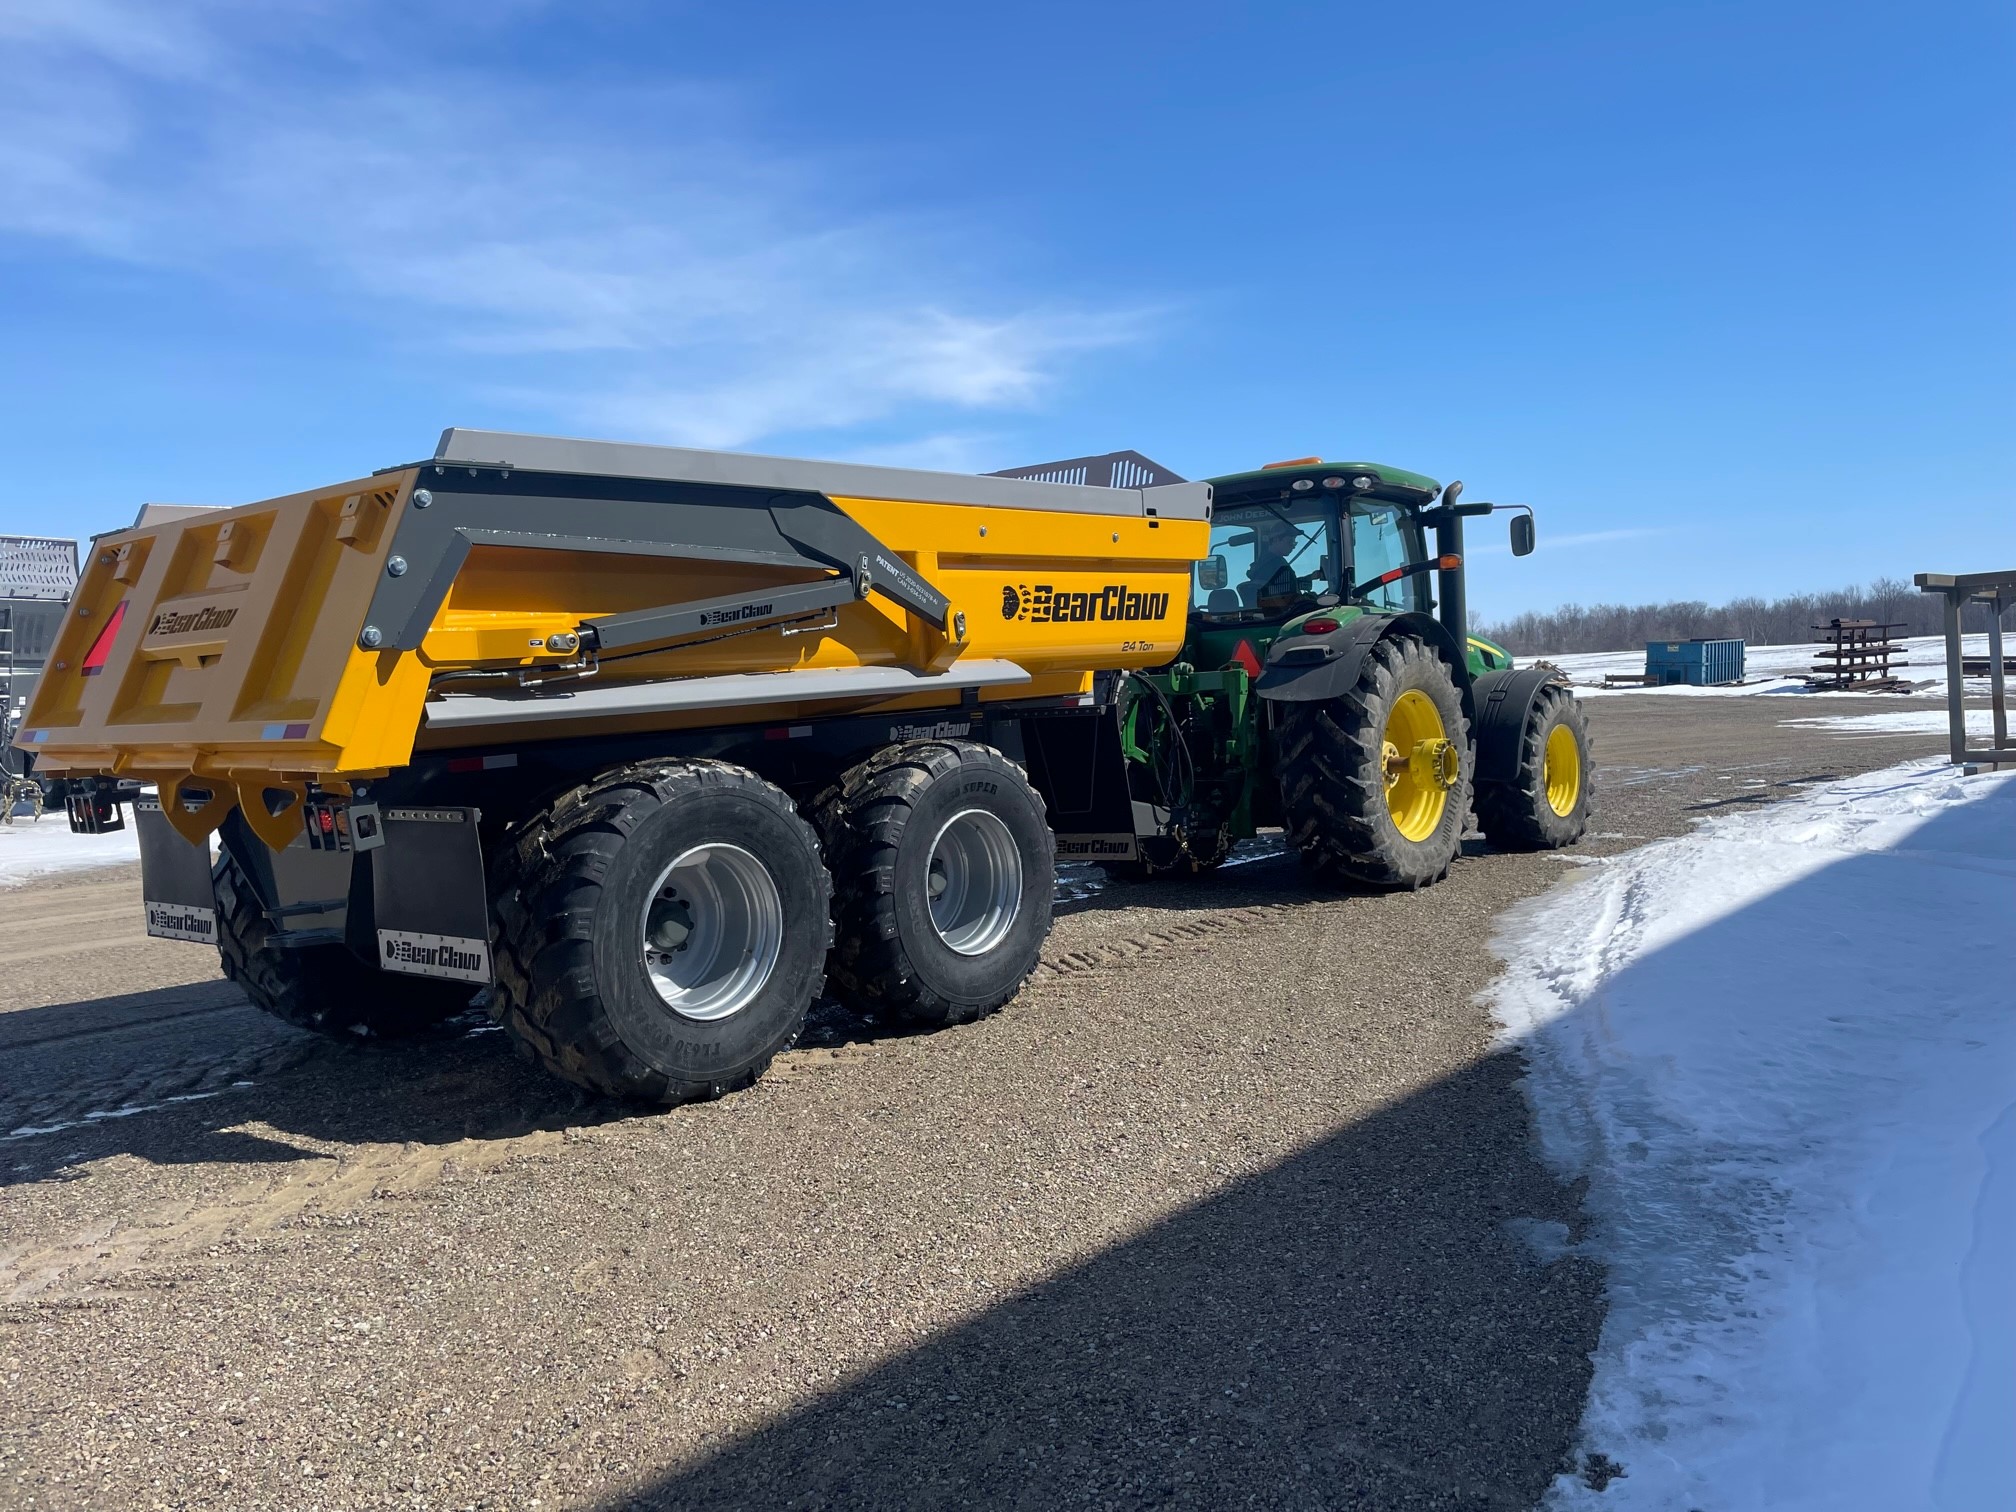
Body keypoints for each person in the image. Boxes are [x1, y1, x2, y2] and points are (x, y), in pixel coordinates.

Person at [1243, 517, 1303, 606]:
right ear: (1275, 540)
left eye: (1294, 543)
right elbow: (1288, 595)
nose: (1293, 546)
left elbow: (1279, 586)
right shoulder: (1280, 566)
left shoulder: (1262, 564)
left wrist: (1309, 578)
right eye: (1290, 542)